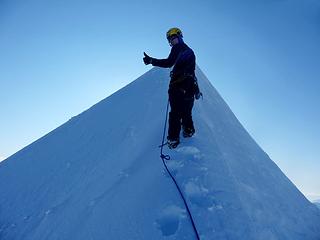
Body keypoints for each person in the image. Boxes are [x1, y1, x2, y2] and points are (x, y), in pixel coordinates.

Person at [143, 27, 199, 149]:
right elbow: (192, 72)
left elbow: (169, 63)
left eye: (173, 38)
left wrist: (152, 60)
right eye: (170, 40)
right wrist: (197, 90)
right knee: (186, 112)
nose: (172, 42)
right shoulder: (190, 51)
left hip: (178, 86)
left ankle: (173, 139)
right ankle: (189, 132)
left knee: (175, 114)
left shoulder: (178, 48)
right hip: (190, 87)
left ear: (179, 37)